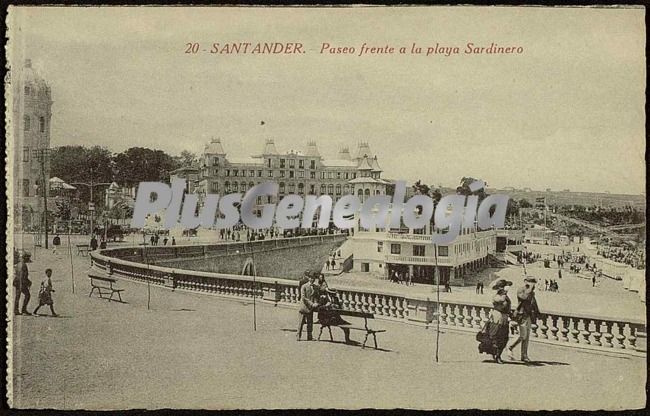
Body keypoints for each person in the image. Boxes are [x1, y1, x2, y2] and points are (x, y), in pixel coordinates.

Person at [477, 279, 513, 363]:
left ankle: (497, 355)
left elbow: (507, 306)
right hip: (497, 318)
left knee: (503, 337)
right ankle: (497, 356)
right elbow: (501, 301)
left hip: (503, 318)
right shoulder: (498, 296)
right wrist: (504, 292)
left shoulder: (503, 296)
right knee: (496, 336)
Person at [507, 277, 540, 362]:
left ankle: (524, 355)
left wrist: (537, 312)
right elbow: (523, 297)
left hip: (528, 315)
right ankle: (510, 346)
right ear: (525, 282)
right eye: (530, 282)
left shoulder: (531, 292)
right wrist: (530, 289)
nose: (532, 284)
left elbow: (533, 303)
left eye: (533, 282)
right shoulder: (521, 290)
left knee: (527, 337)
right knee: (522, 335)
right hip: (521, 315)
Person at [297, 274, 319, 341]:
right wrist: (312, 304)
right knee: (301, 322)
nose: (312, 279)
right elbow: (303, 297)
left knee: (310, 323)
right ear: (309, 278)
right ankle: (298, 336)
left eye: (314, 278)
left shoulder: (315, 287)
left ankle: (309, 336)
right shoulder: (304, 286)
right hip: (304, 307)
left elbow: (316, 296)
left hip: (310, 308)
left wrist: (316, 302)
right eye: (311, 278)